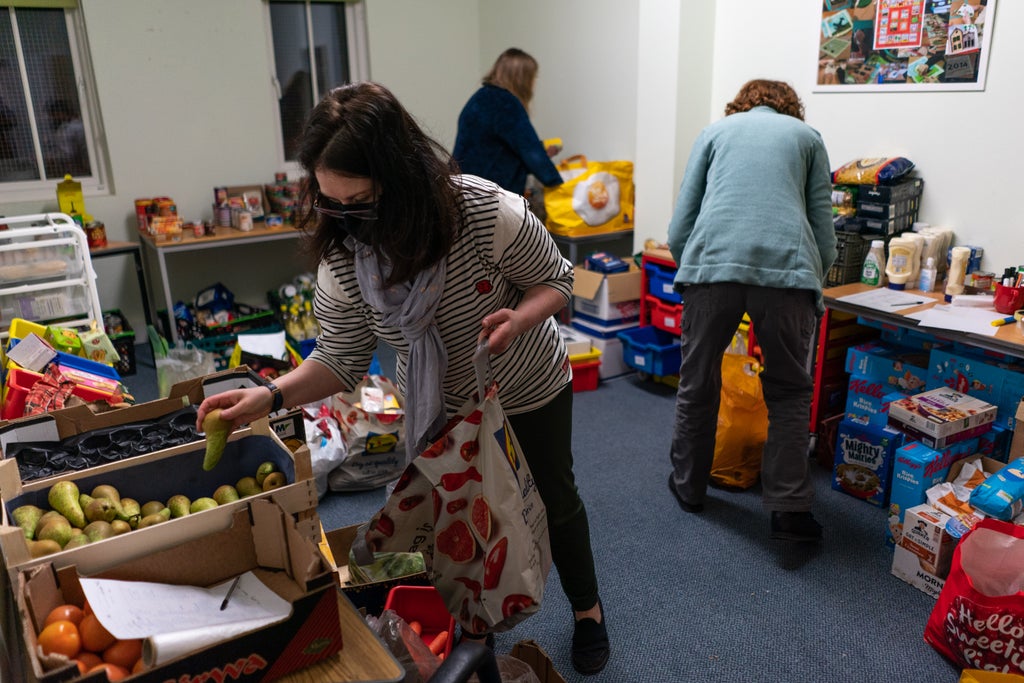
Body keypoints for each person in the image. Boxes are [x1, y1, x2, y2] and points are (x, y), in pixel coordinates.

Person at [195, 82, 610, 675]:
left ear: (403, 177)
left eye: (359, 203)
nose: (346, 220)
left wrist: (519, 317)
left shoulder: (484, 211)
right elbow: (340, 358)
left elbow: (558, 280)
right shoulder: (343, 254)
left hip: (524, 384)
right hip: (438, 399)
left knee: (552, 498)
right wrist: (270, 395)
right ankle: (477, 630)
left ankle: (587, 610)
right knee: (463, 515)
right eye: (330, 201)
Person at [665, 79, 837, 543]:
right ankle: (789, 509)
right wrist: (812, 279)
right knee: (788, 391)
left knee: (697, 382)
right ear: (790, 109)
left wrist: (692, 264)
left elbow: (683, 219)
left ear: (741, 105)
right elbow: (823, 227)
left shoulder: (715, 132)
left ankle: (689, 488)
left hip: (711, 268)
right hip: (786, 271)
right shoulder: (807, 138)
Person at [453, 48, 563, 197]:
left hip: (462, 190)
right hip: (488, 197)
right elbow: (530, 151)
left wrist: (542, 150)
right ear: (522, 79)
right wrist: (560, 186)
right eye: (533, 77)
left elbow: (497, 149)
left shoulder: (479, 99)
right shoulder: (506, 103)